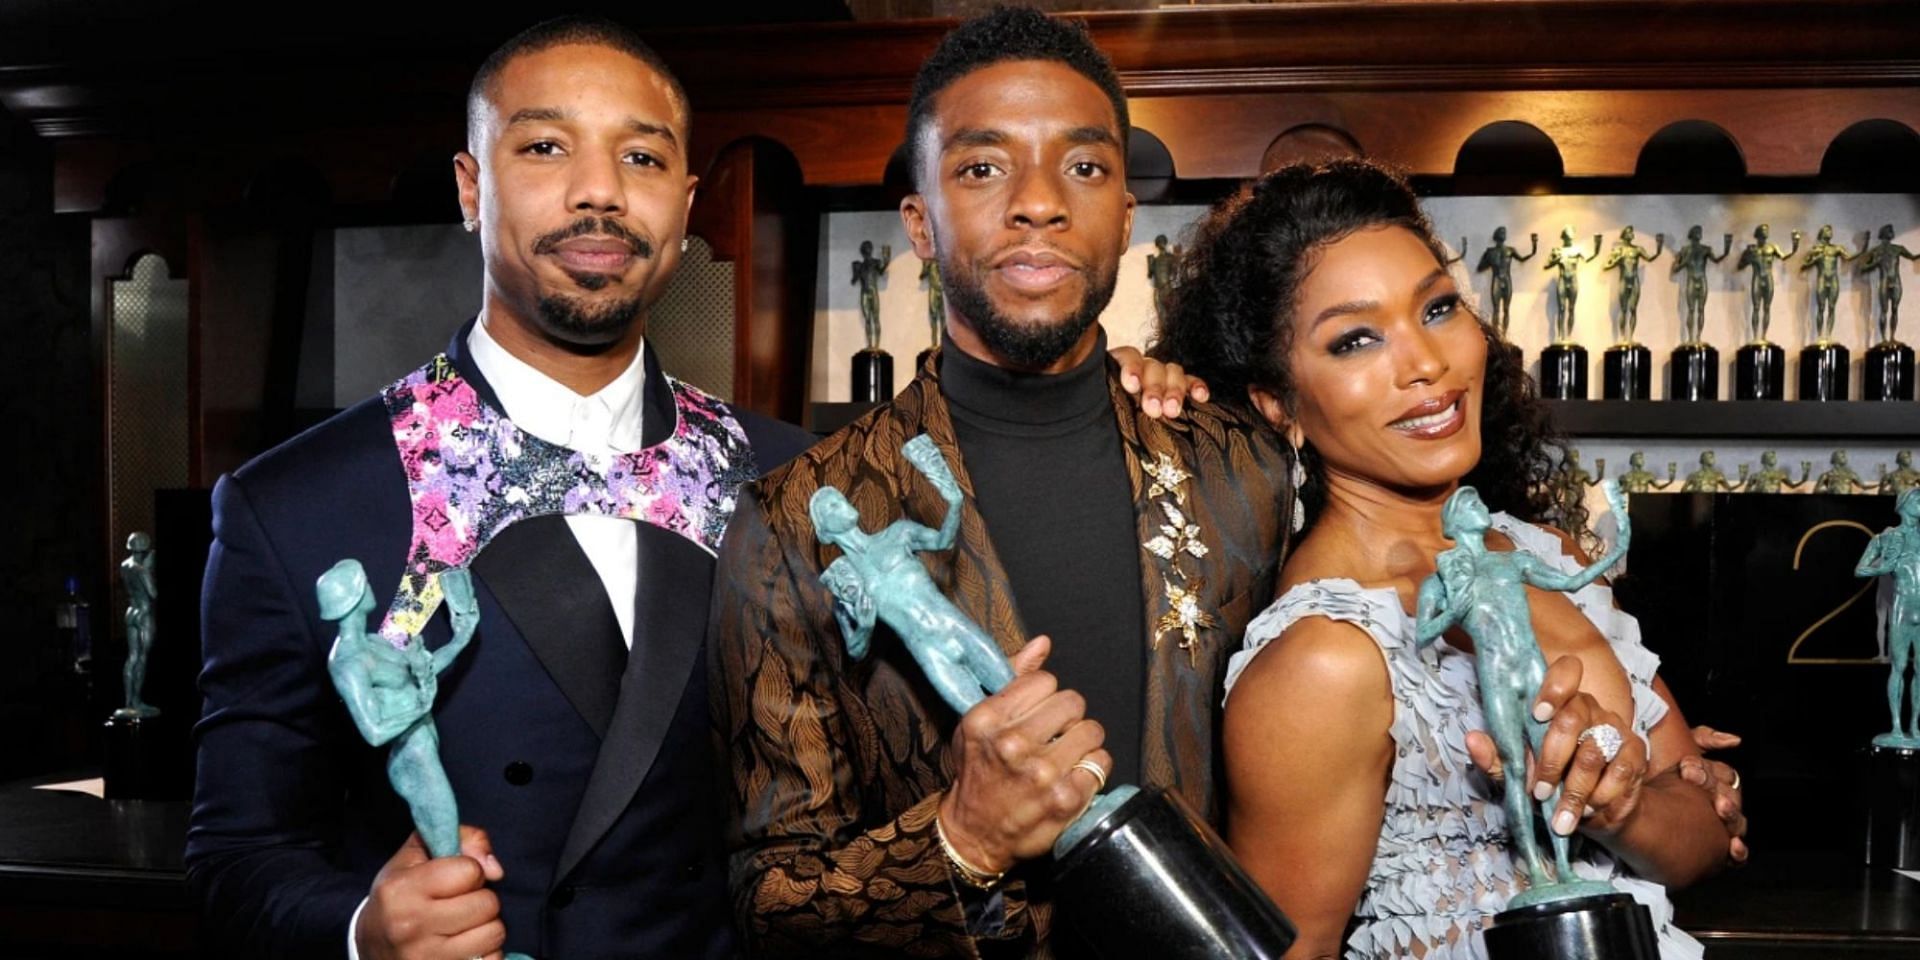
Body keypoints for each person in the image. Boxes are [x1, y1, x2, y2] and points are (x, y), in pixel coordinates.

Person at [186, 16, 813, 960]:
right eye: (546, 146)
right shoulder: (295, 506)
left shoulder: (792, 480)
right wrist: (363, 930)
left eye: (640, 157)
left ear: (686, 209)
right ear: (471, 187)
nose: (599, 190)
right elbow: (238, 857)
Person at [706, 9, 1293, 957]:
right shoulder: (792, 524)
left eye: (1085, 166)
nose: (1038, 202)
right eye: (982, 167)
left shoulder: (1248, 464)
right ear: (919, 223)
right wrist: (960, 840)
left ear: (1126, 217)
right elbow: (769, 896)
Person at [1153, 160, 1747, 959]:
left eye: (1437, 307)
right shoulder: (1324, 659)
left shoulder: (1546, 553)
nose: (1426, 363)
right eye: (1356, 338)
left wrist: (1619, 803)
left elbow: (1705, 839)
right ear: (1276, 402)